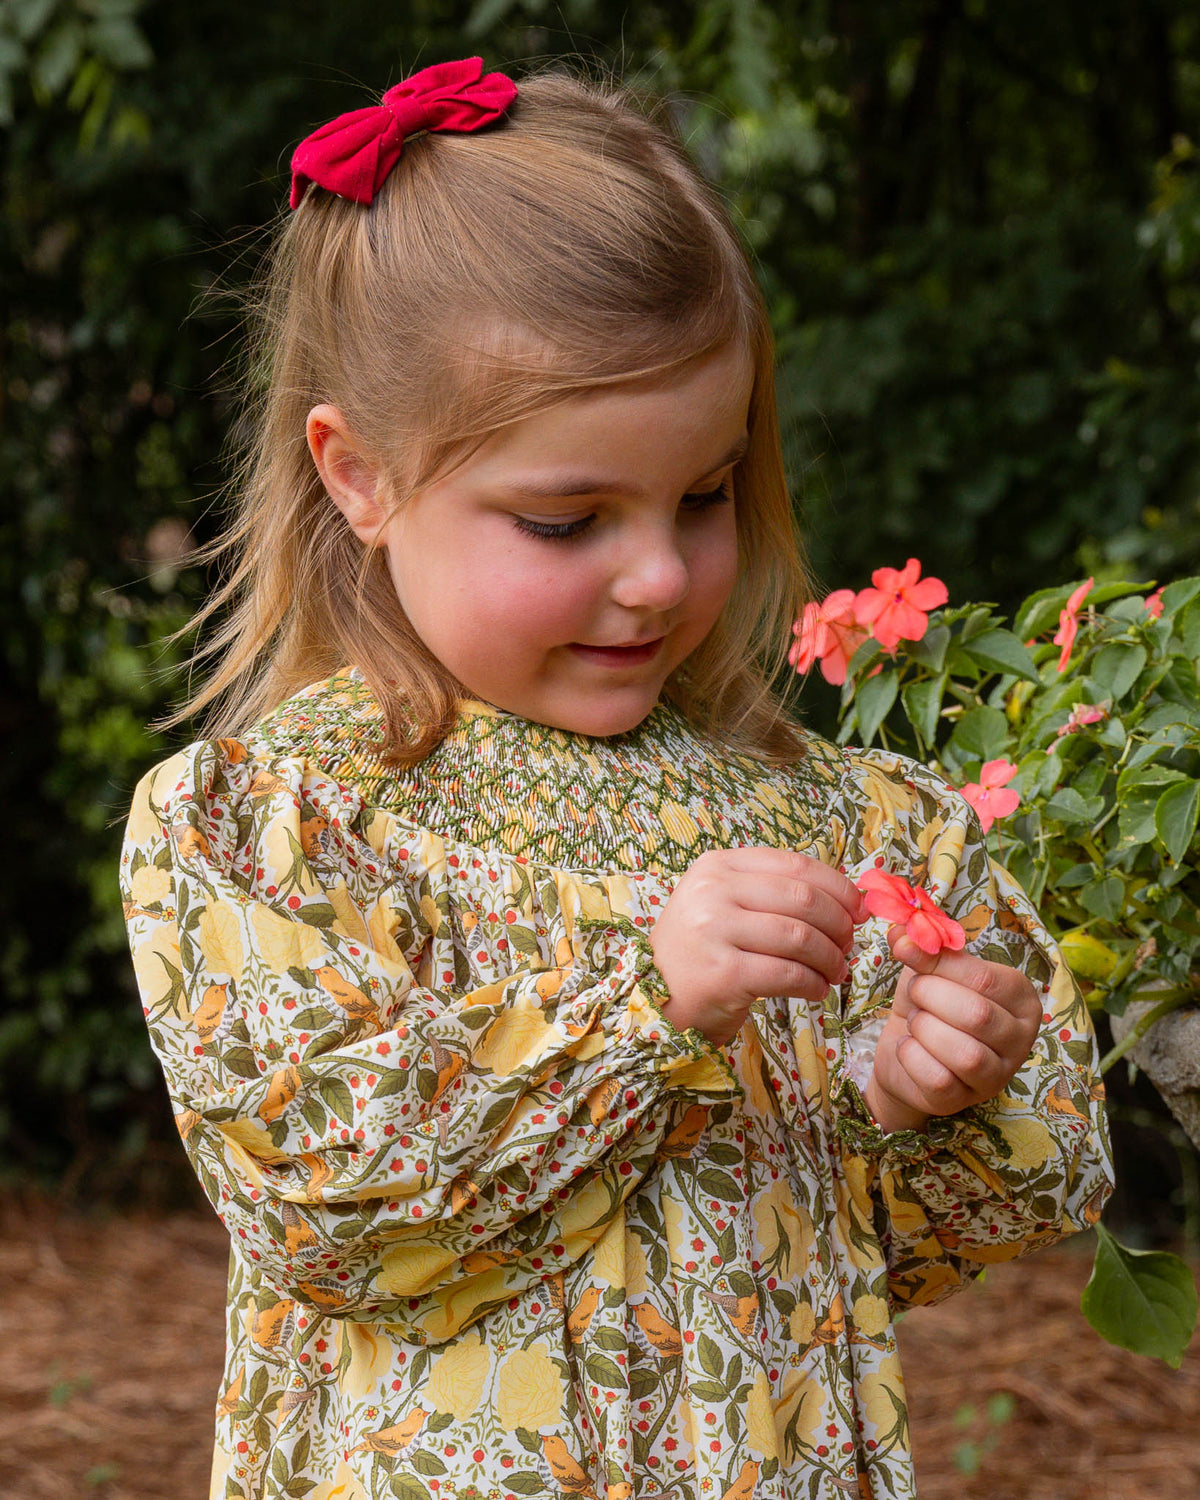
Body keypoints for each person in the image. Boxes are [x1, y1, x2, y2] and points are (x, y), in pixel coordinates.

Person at [120, 57, 1114, 1500]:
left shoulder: (843, 820)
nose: (656, 574)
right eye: (568, 517)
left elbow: (948, 1232)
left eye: (705, 496)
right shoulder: (277, 824)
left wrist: (933, 1092)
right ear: (360, 476)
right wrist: (644, 1001)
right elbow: (332, 1213)